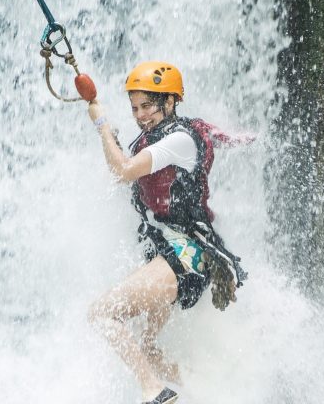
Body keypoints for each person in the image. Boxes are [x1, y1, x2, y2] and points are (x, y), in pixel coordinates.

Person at [87, 61, 248, 404]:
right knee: (147, 345)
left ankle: (154, 392)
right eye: (134, 107)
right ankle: (200, 393)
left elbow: (126, 170)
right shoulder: (157, 138)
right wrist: (111, 135)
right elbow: (121, 173)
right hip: (175, 252)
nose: (140, 115)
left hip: (187, 255)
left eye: (147, 105)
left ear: (171, 102)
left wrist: (101, 125)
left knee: (103, 313)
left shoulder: (178, 139)